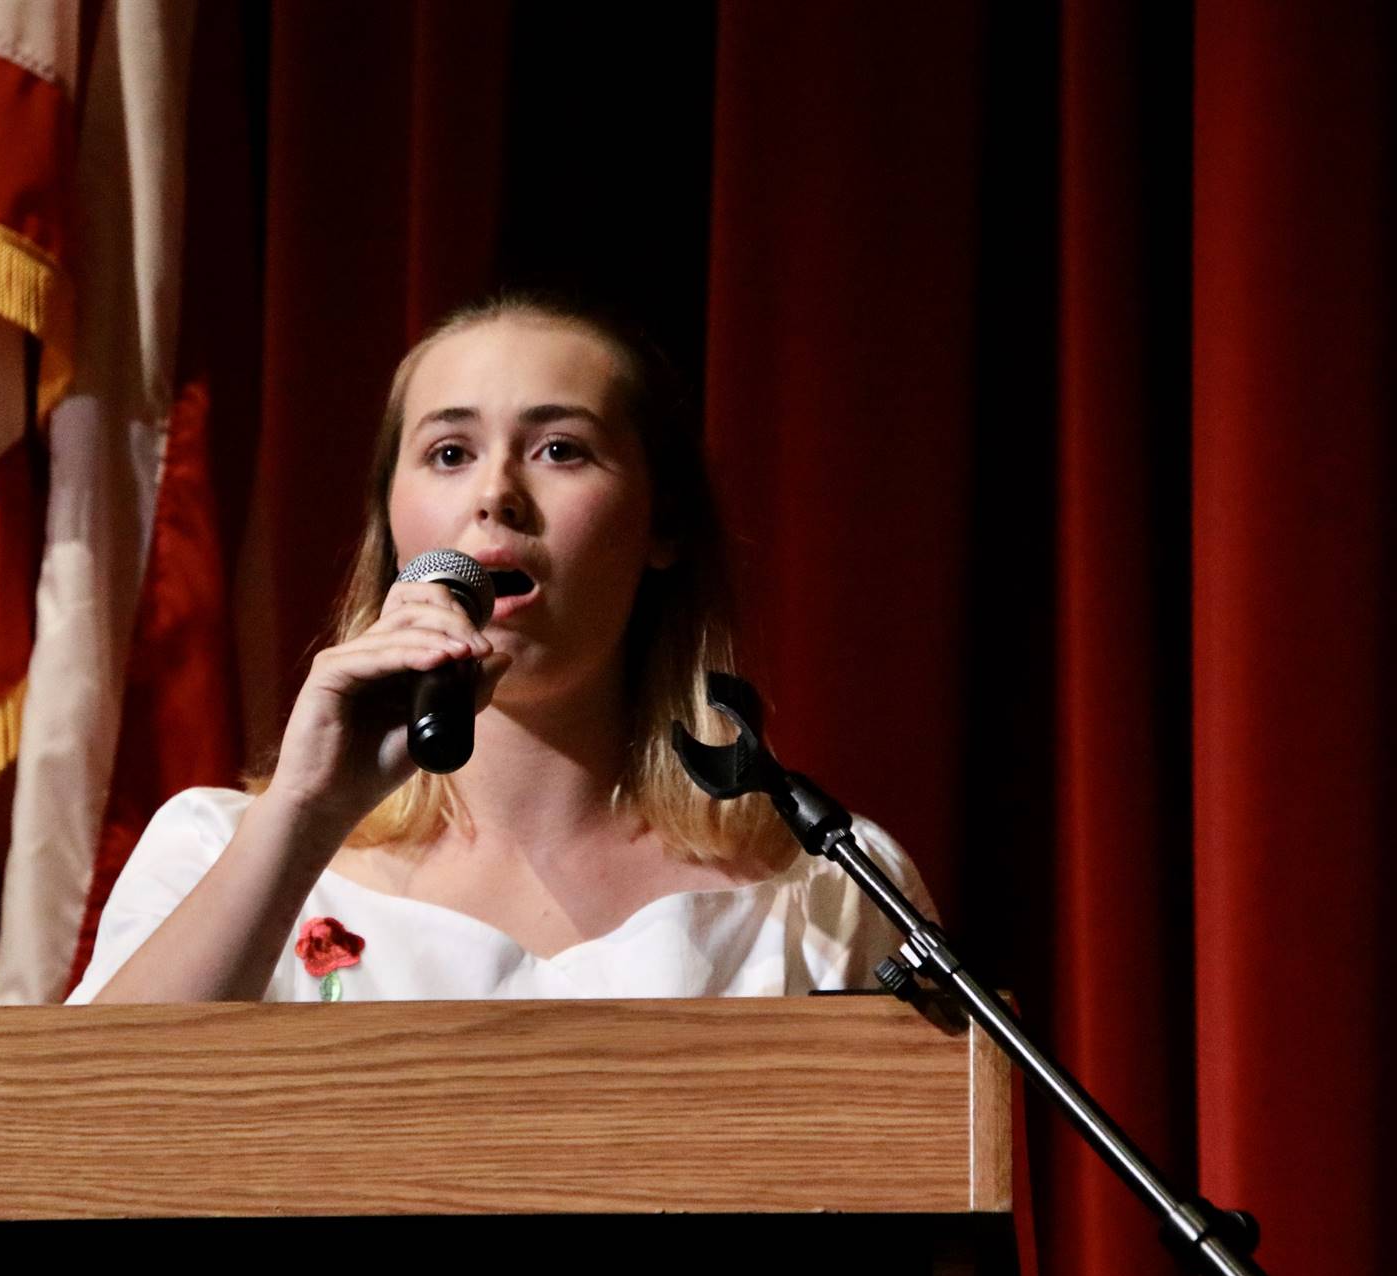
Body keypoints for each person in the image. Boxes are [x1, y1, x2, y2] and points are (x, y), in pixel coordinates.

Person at [68, 293, 934, 1004]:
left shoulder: (825, 891)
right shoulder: (218, 851)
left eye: (560, 449)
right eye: (449, 453)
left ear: (660, 522)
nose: (496, 495)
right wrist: (304, 813)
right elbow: (76, 1144)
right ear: (394, 526)